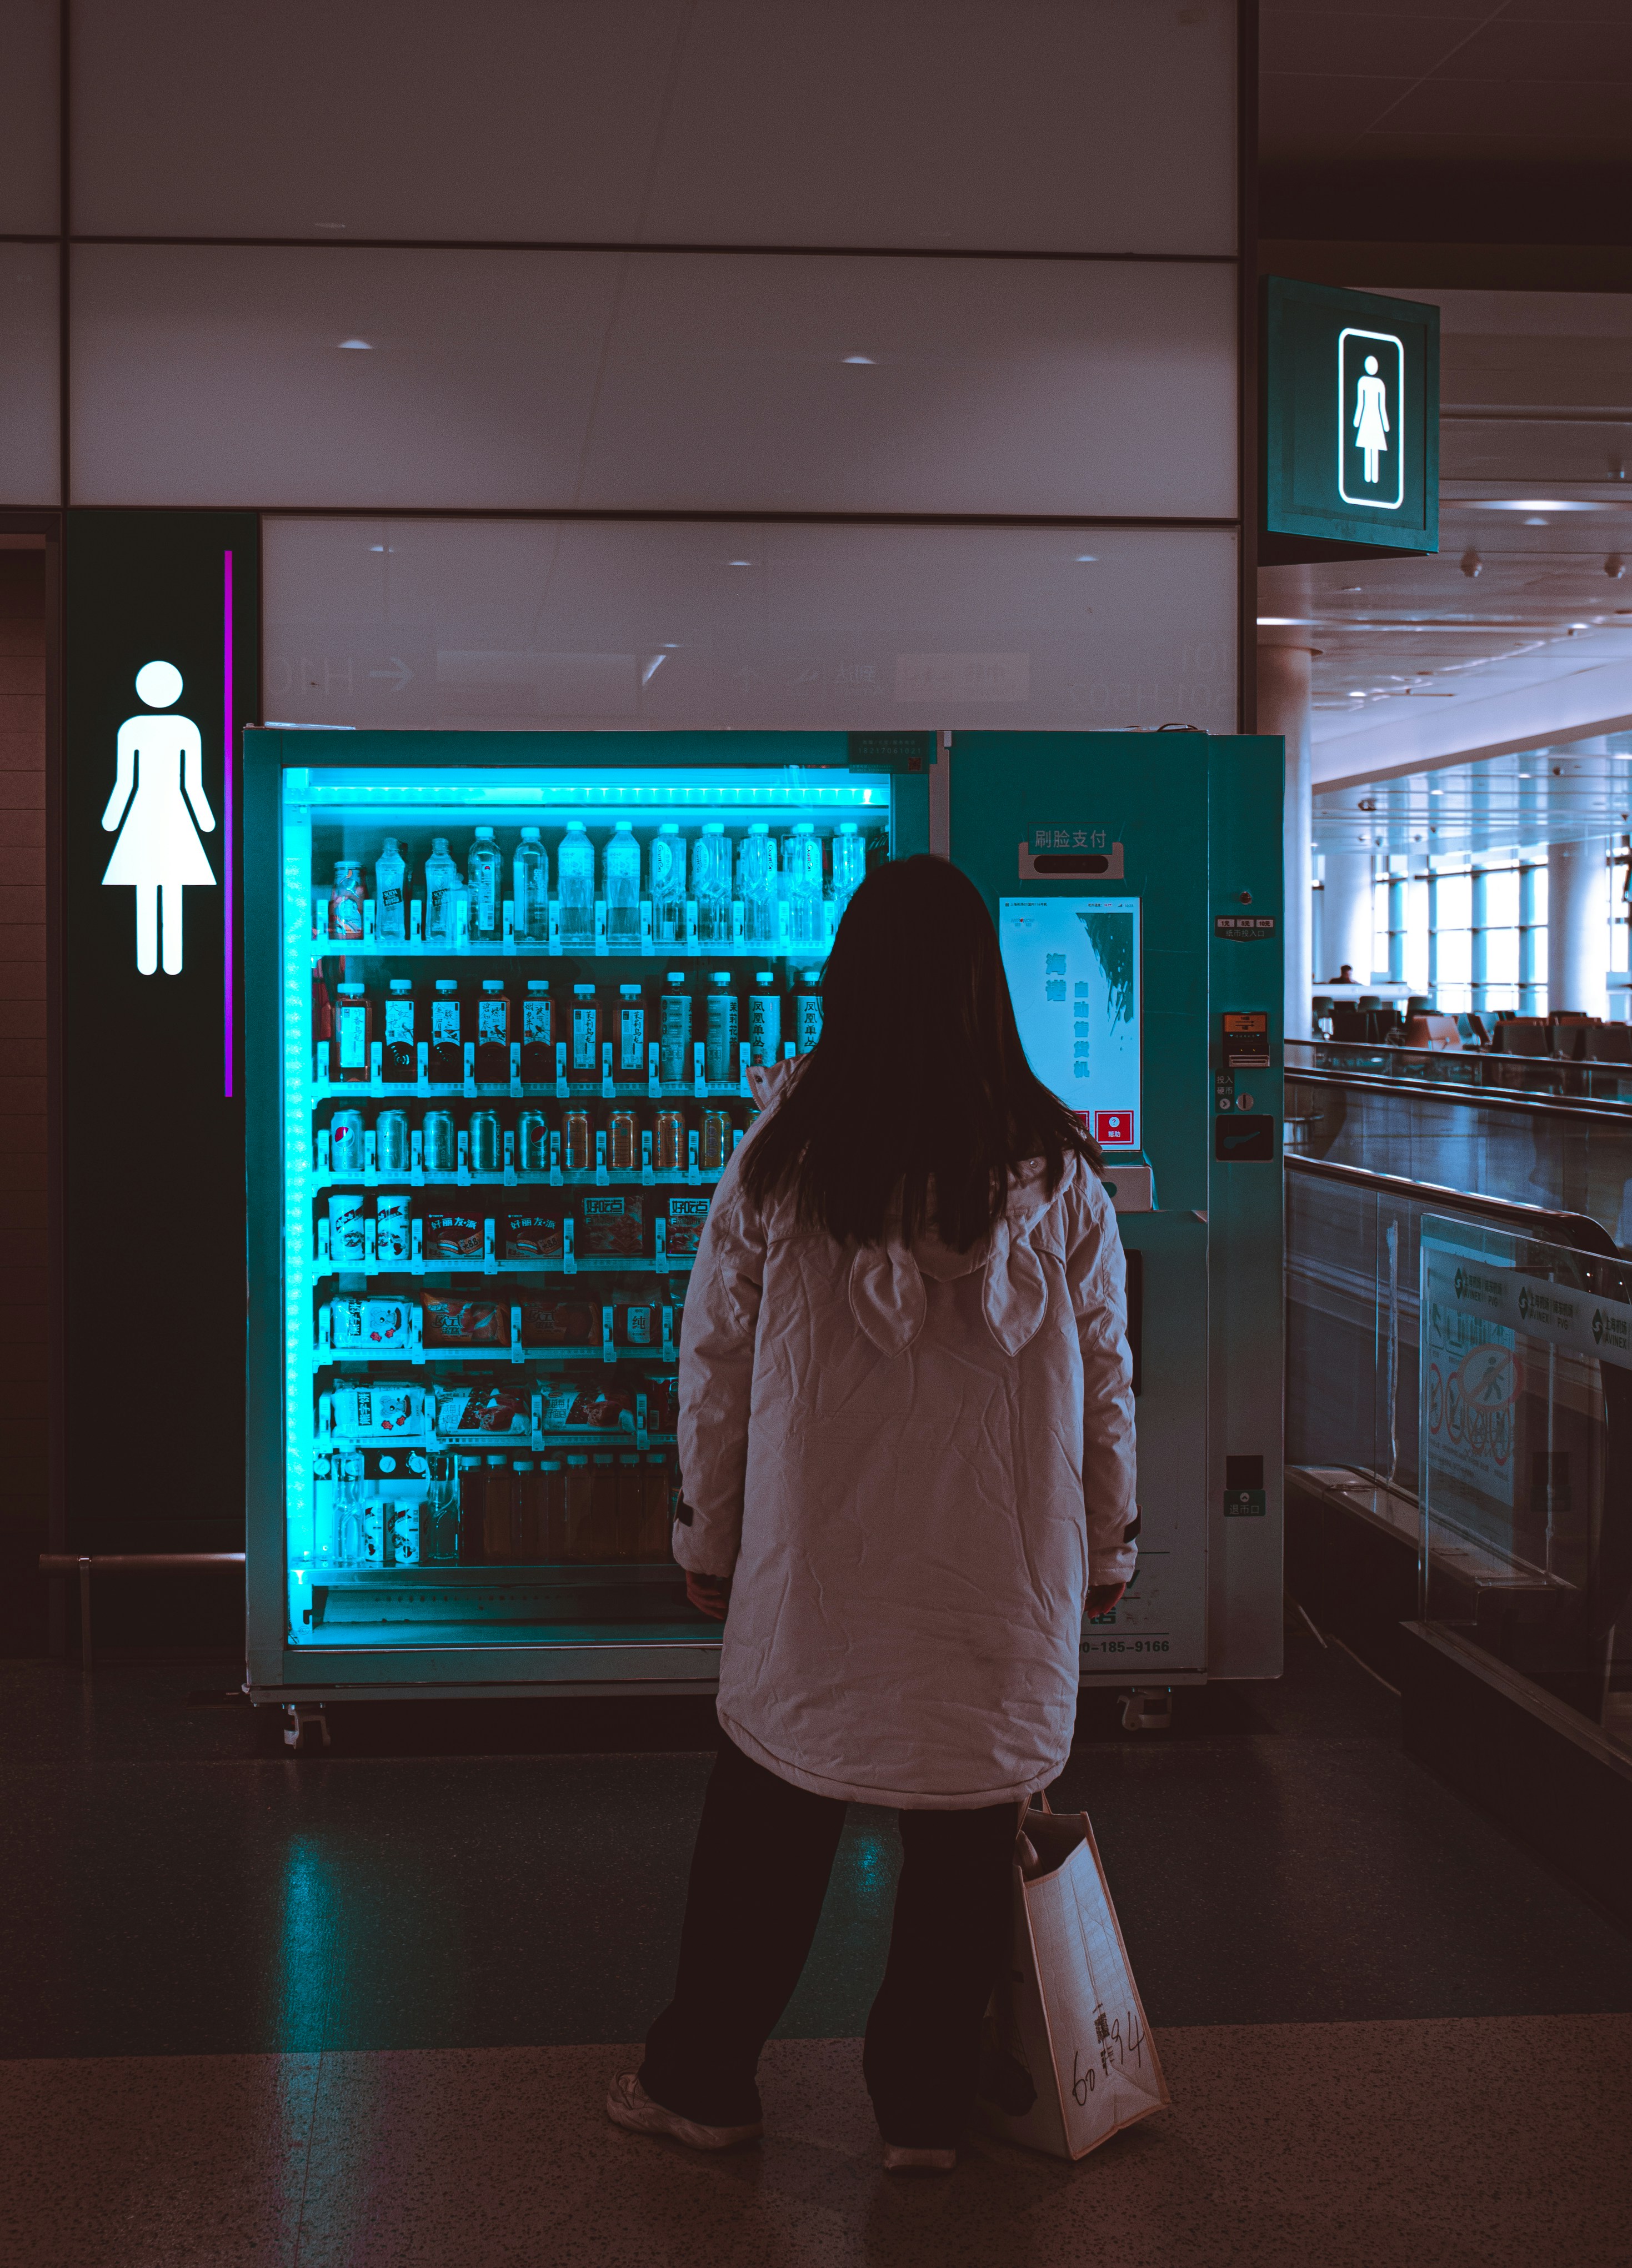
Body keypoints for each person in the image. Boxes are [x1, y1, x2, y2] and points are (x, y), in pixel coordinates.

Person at [607, 855, 1138, 2174]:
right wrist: (1109, 1543)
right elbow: (1106, 1381)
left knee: (764, 1833)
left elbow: (716, 1368)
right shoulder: (1059, 1178)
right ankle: (921, 2111)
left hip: (818, 1581)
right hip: (994, 1585)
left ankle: (705, 2080)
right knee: (961, 1850)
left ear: (848, 988)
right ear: (982, 992)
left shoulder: (784, 1163)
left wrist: (707, 1538)